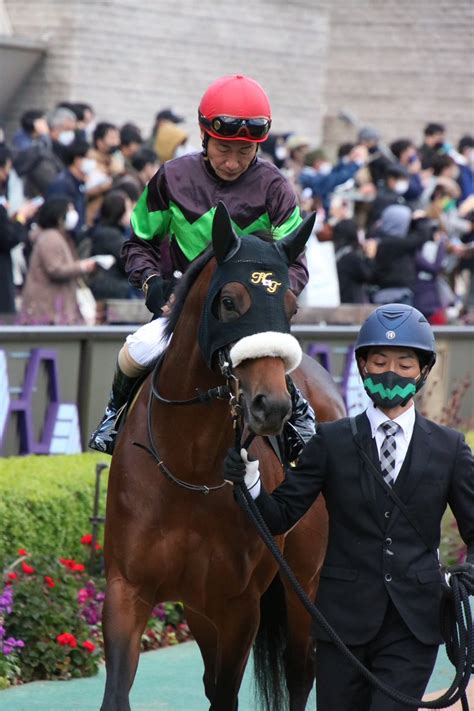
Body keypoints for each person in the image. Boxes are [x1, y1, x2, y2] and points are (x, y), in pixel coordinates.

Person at [223, 303, 474, 711]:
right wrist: (249, 482)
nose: (390, 371)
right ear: (363, 367)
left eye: (404, 363)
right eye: (379, 361)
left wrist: (467, 575)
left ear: (423, 371)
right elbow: (280, 516)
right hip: (341, 624)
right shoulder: (331, 441)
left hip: (415, 624)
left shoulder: (450, 449)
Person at [89, 73, 313, 456]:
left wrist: (269, 295)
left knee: (272, 364)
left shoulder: (275, 188)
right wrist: (152, 284)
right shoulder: (171, 178)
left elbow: (296, 264)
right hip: (185, 310)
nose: (232, 162)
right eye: (224, 148)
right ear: (204, 135)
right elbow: (138, 243)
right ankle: (114, 415)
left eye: (245, 152)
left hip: (245, 314)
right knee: (136, 350)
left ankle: (301, 420)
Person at [19, 197, 96, 325]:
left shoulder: (57, 236)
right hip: (47, 308)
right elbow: (55, 269)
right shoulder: (50, 238)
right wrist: (82, 267)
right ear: (59, 216)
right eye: (69, 210)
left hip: (51, 306)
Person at [87, 190, 133, 300]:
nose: (131, 212)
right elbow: (129, 260)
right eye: (128, 208)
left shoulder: (104, 230)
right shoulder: (110, 235)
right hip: (113, 291)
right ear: (119, 211)